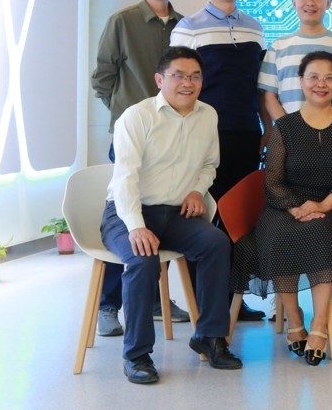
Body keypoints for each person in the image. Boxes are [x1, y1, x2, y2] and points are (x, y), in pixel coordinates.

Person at [101, 46, 242, 384]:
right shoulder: (137, 116)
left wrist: (196, 191)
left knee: (217, 244)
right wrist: (136, 226)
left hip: (177, 212)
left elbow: (209, 165)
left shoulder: (208, 115)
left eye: (195, 76)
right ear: (159, 79)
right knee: (143, 259)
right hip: (128, 212)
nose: (187, 83)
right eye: (178, 75)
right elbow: (125, 178)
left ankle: (209, 336)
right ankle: (137, 355)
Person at [231, 51, 332, 366]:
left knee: (320, 234)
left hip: (329, 205)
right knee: (278, 236)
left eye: (329, 78)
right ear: (301, 82)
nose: (321, 84)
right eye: (313, 77)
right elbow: (273, 180)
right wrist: (296, 208)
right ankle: (294, 319)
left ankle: (319, 325)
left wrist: (324, 204)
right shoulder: (285, 126)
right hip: (284, 206)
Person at [90, 0, 189, 336]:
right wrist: (125, 114)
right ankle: (109, 304)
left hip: (173, 138)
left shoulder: (183, 25)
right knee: (125, 214)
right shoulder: (123, 21)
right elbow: (103, 77)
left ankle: (152, 300)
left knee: (161, 214)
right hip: (132, 136)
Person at [170, 0, 268, 322]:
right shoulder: (188, 28)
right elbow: (177, 86)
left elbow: (260, 86)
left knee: (238, 216)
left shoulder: (254, 27)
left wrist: (267, 128)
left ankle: (233, 299)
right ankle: (205, 302)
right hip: (202, 135)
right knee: (202, 216)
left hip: (246, 133)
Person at [259, 0, 332, 120]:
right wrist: (288, 128)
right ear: (294, 2)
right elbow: (269, 97)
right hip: (288, 132)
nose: (310, 3)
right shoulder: (278, 47)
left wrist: (329, 127)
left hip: (331, 131)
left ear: (328, 3)